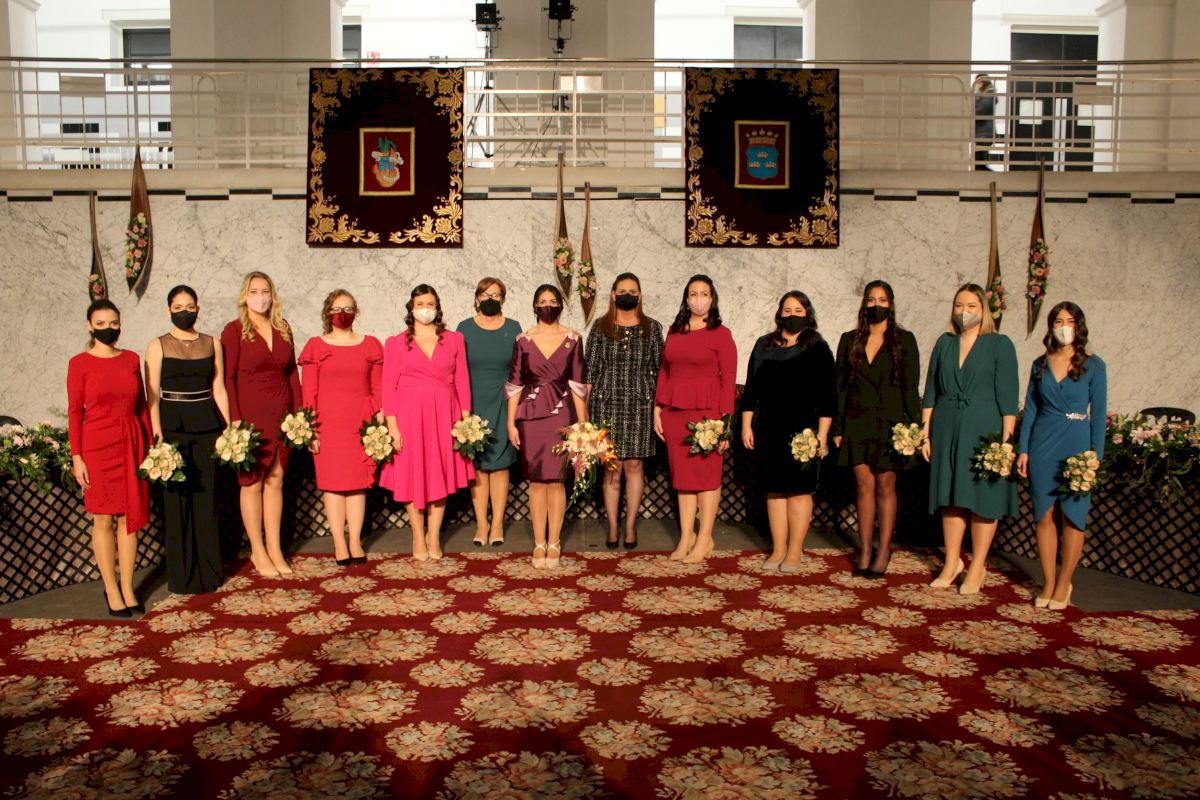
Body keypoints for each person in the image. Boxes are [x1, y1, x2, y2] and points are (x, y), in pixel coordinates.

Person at [922, 283, 1019, 595]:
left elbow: (1008, 399)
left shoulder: (1000, 344)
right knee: (950, 497)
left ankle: (977, 565)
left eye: (971, 306)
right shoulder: (945, 343)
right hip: (947, 427)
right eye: (959, 306)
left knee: (982, 500)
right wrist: (925, 432)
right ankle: (952, 562)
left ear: (983, 310)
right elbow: (931, 391)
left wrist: (1005, 444)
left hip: (984, 430)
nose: (964, 312)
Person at [1017, 302, 1107, 610]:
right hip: (1043, 443)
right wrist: (1024, 449)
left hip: (1077, 445)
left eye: (1069, 321)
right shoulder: (1039, 364)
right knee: (1044, 515)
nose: (1063, 326)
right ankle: (1048, 581)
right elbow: (1030, 410)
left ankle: (1065, 581)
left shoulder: (1095, 366)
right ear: (1051, 326)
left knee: (1073, 516)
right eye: (1058, 321)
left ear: (1079, 326)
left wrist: (1095, 456)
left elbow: (1099, 415)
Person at [67, 299, 151, 616]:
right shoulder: (79, 364)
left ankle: (127, 586)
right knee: (102, 518)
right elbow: (75, 413)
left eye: (113, 323)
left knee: (130, 517)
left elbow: (142, 406)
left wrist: (150, 448)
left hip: (131, 443)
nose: (108, 328)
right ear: (89, 326)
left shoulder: (131, 359)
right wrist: (77, 457)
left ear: (120, 324)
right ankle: (111, 588)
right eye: (100, 324)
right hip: (97, 446)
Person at [145, 285, 230, 594]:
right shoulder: (157, 345)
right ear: (168, 310)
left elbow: (219, 388)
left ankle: (210, 573)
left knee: (206, 500)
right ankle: (181, 577)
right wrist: (157, 439)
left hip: (207, 426)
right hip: (172, 429)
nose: (185, 311)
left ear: (198, 309)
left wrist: (229, 429)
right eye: (178, 307)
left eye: (190, 306)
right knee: (176, 504)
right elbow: (152, 396)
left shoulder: (212, 343)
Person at [741, 292, 835, 572]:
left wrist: (822, 436)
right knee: (775, 491)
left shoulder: (818, 347)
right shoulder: (764, 345)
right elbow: (751, 390)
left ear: (808, 314)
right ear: (780, 314)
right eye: (787, 310)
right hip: (769, 428)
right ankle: (778, 548)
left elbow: (828, 396)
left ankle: (795, 550)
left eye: (798, 310)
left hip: (803, 431)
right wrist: (746, 425)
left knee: (799, 491)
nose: (792, 315)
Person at [832, 281, 921, 578]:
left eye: (882, 300)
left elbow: (910, 388)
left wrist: (914, 430)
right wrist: (838, 428)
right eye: (871, 300)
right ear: (864, 304)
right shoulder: (848, 340)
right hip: (856, 422)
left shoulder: (905, 340)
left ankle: (883, 550)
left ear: (891, 305)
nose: (876, 305)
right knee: (863, 485)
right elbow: (840, 388)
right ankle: (865, 550)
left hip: (891, 424)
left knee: (885, 485)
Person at [381, 285, 474, 561]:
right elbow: (388, 387)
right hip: (409, 418)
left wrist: (465, 421)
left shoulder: (454, 339)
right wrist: (393, 426)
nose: (425, 309)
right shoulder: (396, 342)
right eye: (420, 304)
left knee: (438, 473)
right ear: (411, 308)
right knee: (413, 474)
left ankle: (433, 536)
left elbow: (463, 380)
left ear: (438, 307)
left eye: (430, 304)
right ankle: (417, 535)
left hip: (445, 415)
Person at [220, 271, 302, 578]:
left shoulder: (283, 327)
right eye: (254, 291)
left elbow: (291, 374)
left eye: (265, 291)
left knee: (276, 480)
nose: (260, 296)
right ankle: (257, 549)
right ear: (245, 296)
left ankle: (275, 548)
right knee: (252, 482)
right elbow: (227, 378)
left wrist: (298, 415)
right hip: (251, 416)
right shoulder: (234, 330)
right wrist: (235, 421)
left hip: (282, 415)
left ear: (273, 295)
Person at [654, 274, 736, 563]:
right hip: (675, 412)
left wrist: (725, 423)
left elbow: (728, 379)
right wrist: (657, 408)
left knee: (707, 477)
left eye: (704, 294)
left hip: (707, 415)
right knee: (683, 477)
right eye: (693, 294)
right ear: (686, 299)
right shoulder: (675, 331)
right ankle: (686, 536)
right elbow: (664, 371)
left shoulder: (721, 334)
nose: (698, 300)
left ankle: (705, 538)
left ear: (712, 299)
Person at [299, 289, 384, 566]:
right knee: (333, 485)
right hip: (328, 424)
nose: (342, 314)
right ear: (328, 313)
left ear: (356, 312)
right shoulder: (316, 346)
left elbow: (378, 387)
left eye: (348, 308)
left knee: (358, 485)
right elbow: (308, 391)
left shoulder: (370, 345)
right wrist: (310, 428)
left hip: (361, 423)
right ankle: (338, 542)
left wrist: (379, 421)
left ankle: (355, 540)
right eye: (337, 309)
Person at [506, 284, 588, 569]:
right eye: (542, 301)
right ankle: (538, 542)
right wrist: (510, 422)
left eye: (553, 301)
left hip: (562, 416)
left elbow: (578, 385)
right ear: (534, 306)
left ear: (561, 306)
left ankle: (554, 542)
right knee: (536, 482)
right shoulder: (523, 340)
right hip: (530, 418)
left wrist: (583, 426)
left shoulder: (573, 339)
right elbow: (515, 384)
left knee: (557, 480)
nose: (548, 305)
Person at [585, 273, 664, 550]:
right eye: (622, 290)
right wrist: (585, 418)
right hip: (606, 404)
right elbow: (589, 372)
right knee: (612, 468)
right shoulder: (600, 327)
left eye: (632, 291)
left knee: (634, 465)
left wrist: (658, 408)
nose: (627, 295)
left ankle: (630, 525)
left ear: (639, 296)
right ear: (613, 295)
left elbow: (660, 370)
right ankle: (613, 526)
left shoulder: (652, 328)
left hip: (641, 405)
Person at [457, 278, 522, 547]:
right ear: (476, 299)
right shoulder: (464, 329)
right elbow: (457, 369)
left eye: (496, 294)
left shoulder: (514, 328)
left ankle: (497, 524)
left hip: (504, 402)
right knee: (479, 465)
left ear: (503, 299)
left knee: (500, 464)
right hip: (472, 402)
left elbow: (519, 371)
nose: (490, 299)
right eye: (485, 294)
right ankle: (481, 524)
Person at [974, 75, 999, 171]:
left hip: (984, 133)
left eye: (978, 82)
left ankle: (987, 177)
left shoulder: (989, 95)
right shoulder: (985, 95)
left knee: (979, 163)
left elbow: (979, 112)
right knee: (978, 162)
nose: (976, 85)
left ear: (982, 83)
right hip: (982, 132)